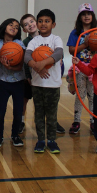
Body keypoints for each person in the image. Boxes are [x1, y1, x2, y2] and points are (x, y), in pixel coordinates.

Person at [25, 9, 65, 154]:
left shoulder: (56, 39)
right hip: (37, 84)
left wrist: (43, 63)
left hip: (53, 84)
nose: (43, 24)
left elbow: (59, 53)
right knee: (39, 114)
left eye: (47, 21)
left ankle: (52, 140)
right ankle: (41, 140)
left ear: (53, 24)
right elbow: (27, 57)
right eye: (40, 21)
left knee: (52, 114)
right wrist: (37, 66)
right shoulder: (34, 41)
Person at [0, 18, 26, 147]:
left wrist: (10, 67)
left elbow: (21, 65)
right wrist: (4, 50)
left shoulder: (19, 44)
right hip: (4, 83)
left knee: (18, 112)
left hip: (18, 82)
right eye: (11, 25)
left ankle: (15, 135)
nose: (14, 27)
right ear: (4, 27)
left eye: (17, 27)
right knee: (0, 112)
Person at [67, 3, 97, 136]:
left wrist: (95, 47)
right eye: (83, 14)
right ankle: (76, 121)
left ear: (92, 16)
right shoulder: (75, 33)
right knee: (81, 96)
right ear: (80, 17)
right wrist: (85, 44)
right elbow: (71, 50)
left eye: (88, 14)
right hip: (80, 69)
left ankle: (93, 120)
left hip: (93, 70)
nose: (86, 16)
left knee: (93, 96)